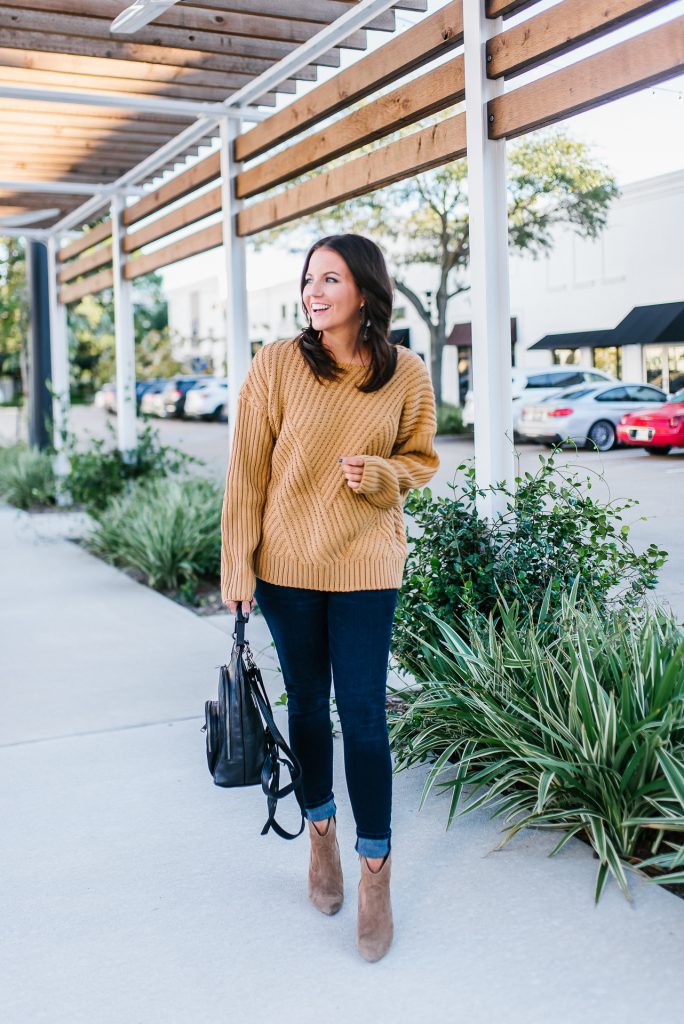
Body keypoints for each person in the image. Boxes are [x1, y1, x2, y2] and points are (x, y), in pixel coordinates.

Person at [221, 233, 439, 962]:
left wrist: (379, 474)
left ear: (366, 292)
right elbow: (247, 474)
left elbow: (422, 459)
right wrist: (237, 570)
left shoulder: (405, 372)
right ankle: (321, 842)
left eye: (331, 279)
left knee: (366, 716)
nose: (314, 292)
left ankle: (375, 873)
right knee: (308, 707)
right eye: (309, 279)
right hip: (286, 570)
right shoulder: (277, 364)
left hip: (369, 567)